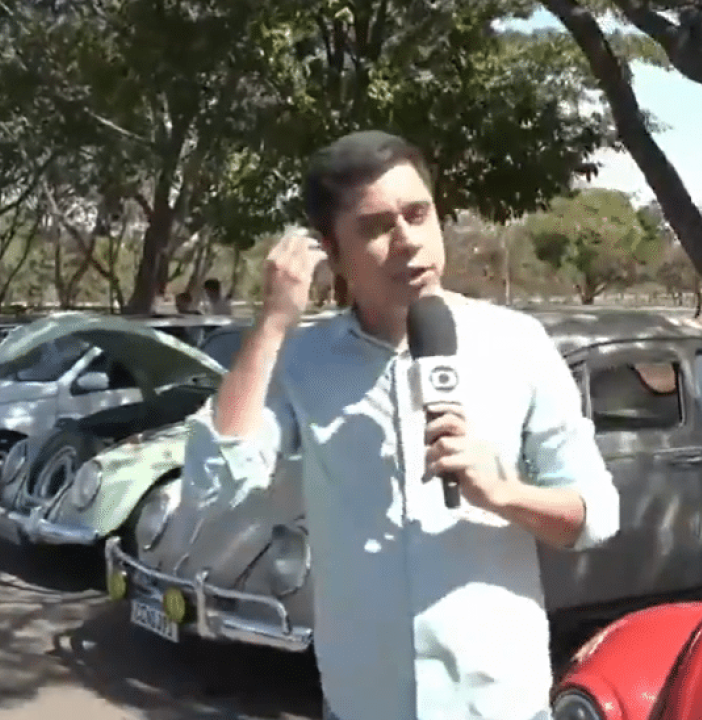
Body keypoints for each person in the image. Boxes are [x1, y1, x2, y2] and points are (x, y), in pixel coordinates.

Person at [180, 130, 619, 720]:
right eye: (376, 227)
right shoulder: (303, 363)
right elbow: (214, 485)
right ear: (333, 253)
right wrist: (272, 323)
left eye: (418, 214)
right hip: (363, 704)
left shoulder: (519, 344)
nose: (408, 240)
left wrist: (503, 493)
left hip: (501, 704)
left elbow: (595, 516)